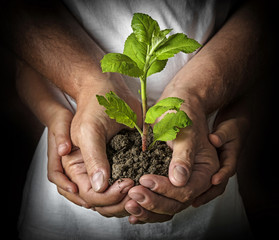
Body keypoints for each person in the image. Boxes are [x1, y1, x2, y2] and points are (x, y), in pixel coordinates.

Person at [2, 0, 268, 239]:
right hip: (68, 204)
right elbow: (24, 48)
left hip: (200, 159)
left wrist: (230, 110)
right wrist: (58, 113)